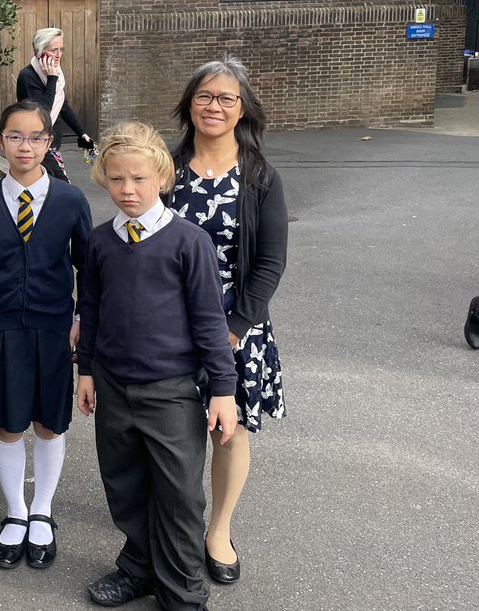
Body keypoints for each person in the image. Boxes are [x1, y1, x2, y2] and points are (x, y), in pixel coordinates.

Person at [76, 121, 238, 611]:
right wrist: (86, 371)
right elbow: (92, 309)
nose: (128, 189)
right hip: (112, 382)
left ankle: (182, 592)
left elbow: (211, 322)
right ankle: (140, 567)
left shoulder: (189, 242)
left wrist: (224, 392)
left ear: (163, 178)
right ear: (104, 177)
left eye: (139, 180)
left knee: (179, 496)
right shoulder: (101, 241)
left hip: (171, 390)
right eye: (118, 179)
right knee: (124, 484)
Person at [168, 57, 288, 585]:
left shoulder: (259, 175)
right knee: (169, 431)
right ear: (189, 104)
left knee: (227, 430)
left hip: (235, 325)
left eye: (226, 98)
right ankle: (170, 521)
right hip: (166, 324)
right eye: (204, 96)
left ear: (243, 110)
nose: (214, 106)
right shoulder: (165, 167)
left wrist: (235, 327)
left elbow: (270, 262)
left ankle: (218, 530)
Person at [0, 100, 93, 570]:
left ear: (48, 142)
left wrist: (83, 318)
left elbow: (90, 267)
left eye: (35, 137)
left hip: (53, 328)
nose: (25, 146)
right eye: (15, 136)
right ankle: (15, 512)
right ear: (1, 140)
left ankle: (42, 508)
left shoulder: (69, 200)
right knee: (8, 422)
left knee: (48, 421)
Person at [15, 27, 93, 181]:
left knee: (51, 191)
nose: (59, 55)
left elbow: (62, 105)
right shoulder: (29, 76)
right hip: (36, 143)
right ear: (40, 50)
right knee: (63, 188)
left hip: (52, 144)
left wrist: (82, 133)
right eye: (53, 50)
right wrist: (51, 79)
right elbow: (43, 111)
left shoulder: (56, 73)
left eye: (61, 49)